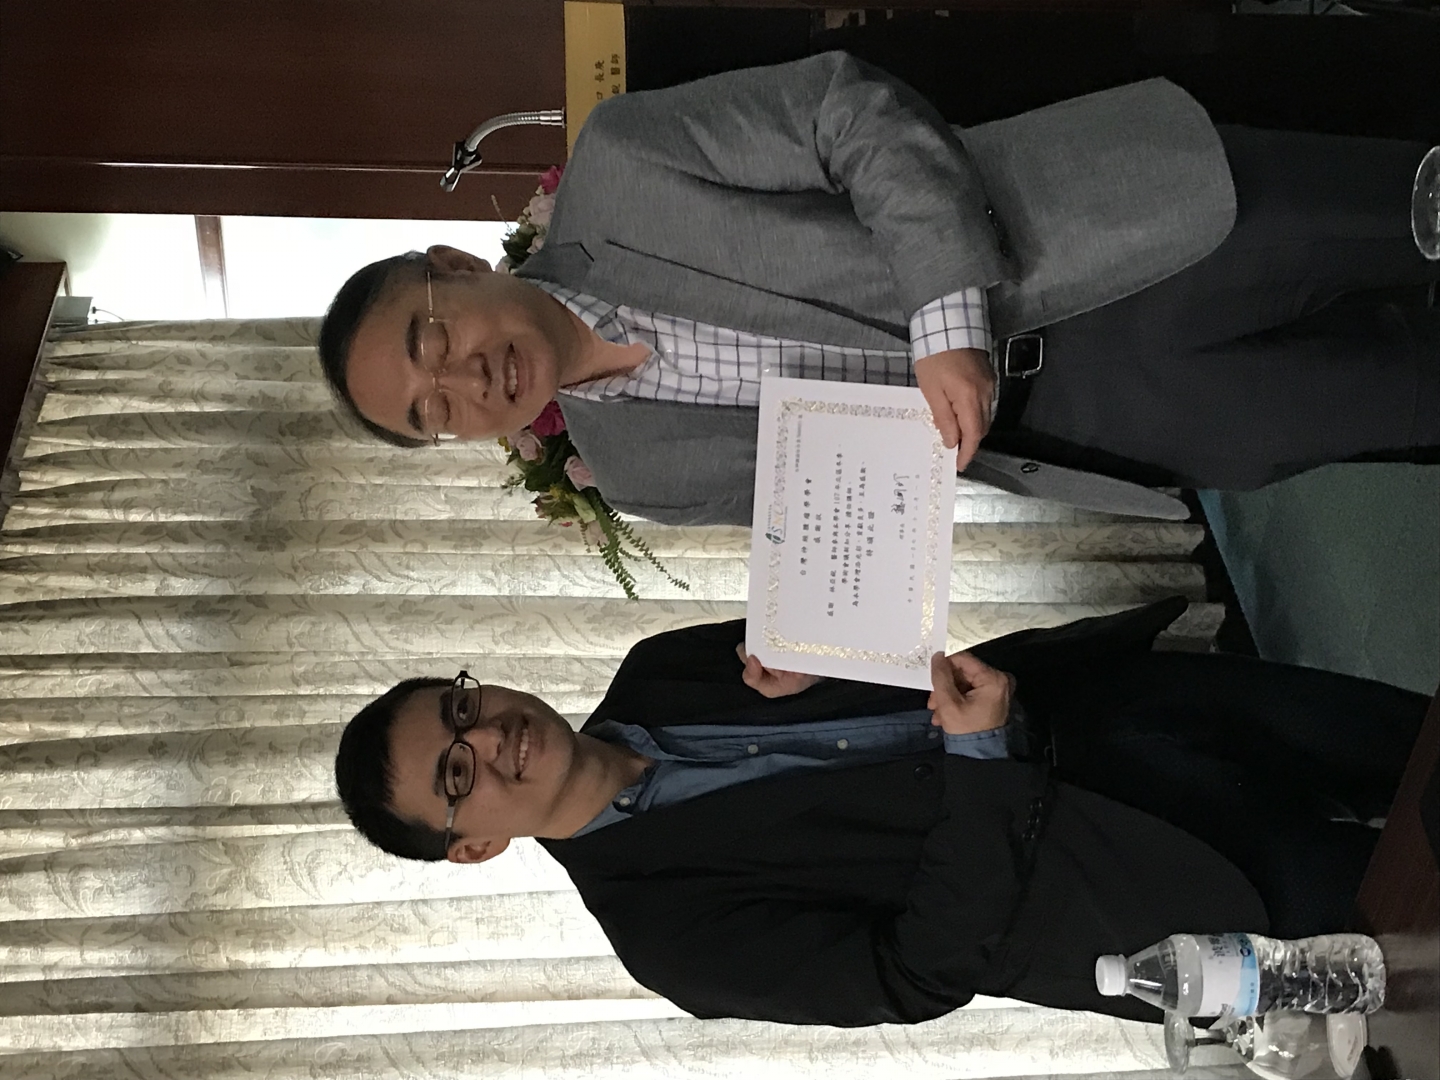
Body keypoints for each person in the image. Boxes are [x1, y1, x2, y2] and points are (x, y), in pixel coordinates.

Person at [318, 52, 1439, 526]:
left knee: (1412, 219)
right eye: (433, 415)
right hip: (1100, 421)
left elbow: (844, 112)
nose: (466, 385)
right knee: (1403, 400)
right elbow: (857, 516)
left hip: (1098, 235)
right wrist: (820, 649)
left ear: (456, 269)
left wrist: (945, 317)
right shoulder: (636, 475)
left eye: (433, 343)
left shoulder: (622, 166)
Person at [334, 598, 1425, 1026]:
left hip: (1128, 711)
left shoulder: (661, 666)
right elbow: (916, 974)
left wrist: (846, 647)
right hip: (1135, 893)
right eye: (457, 777)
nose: (491, 738)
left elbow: (881, 633)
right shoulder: (664, 933)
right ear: (474, 846)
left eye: (462, 708)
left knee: (1415, 744)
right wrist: (982, 762)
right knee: (1418, 923)